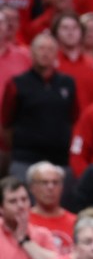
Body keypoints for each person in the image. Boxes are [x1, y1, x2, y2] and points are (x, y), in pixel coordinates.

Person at [1, 33, 78, 180]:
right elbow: (6, 124)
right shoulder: (16, 83)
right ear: (31, 53)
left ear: (56, 54)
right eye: (41, 48)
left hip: (60, 159)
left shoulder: (68, 83)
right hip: (25, 159)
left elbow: (74, 118)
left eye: (50, 49)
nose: (45, 53)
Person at [26, 161, 76, 255]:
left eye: (55, 182)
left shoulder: (76, 222)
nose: (50, 187)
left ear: (62, 187)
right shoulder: (23, 222)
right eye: (44, 182)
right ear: (32, 187)